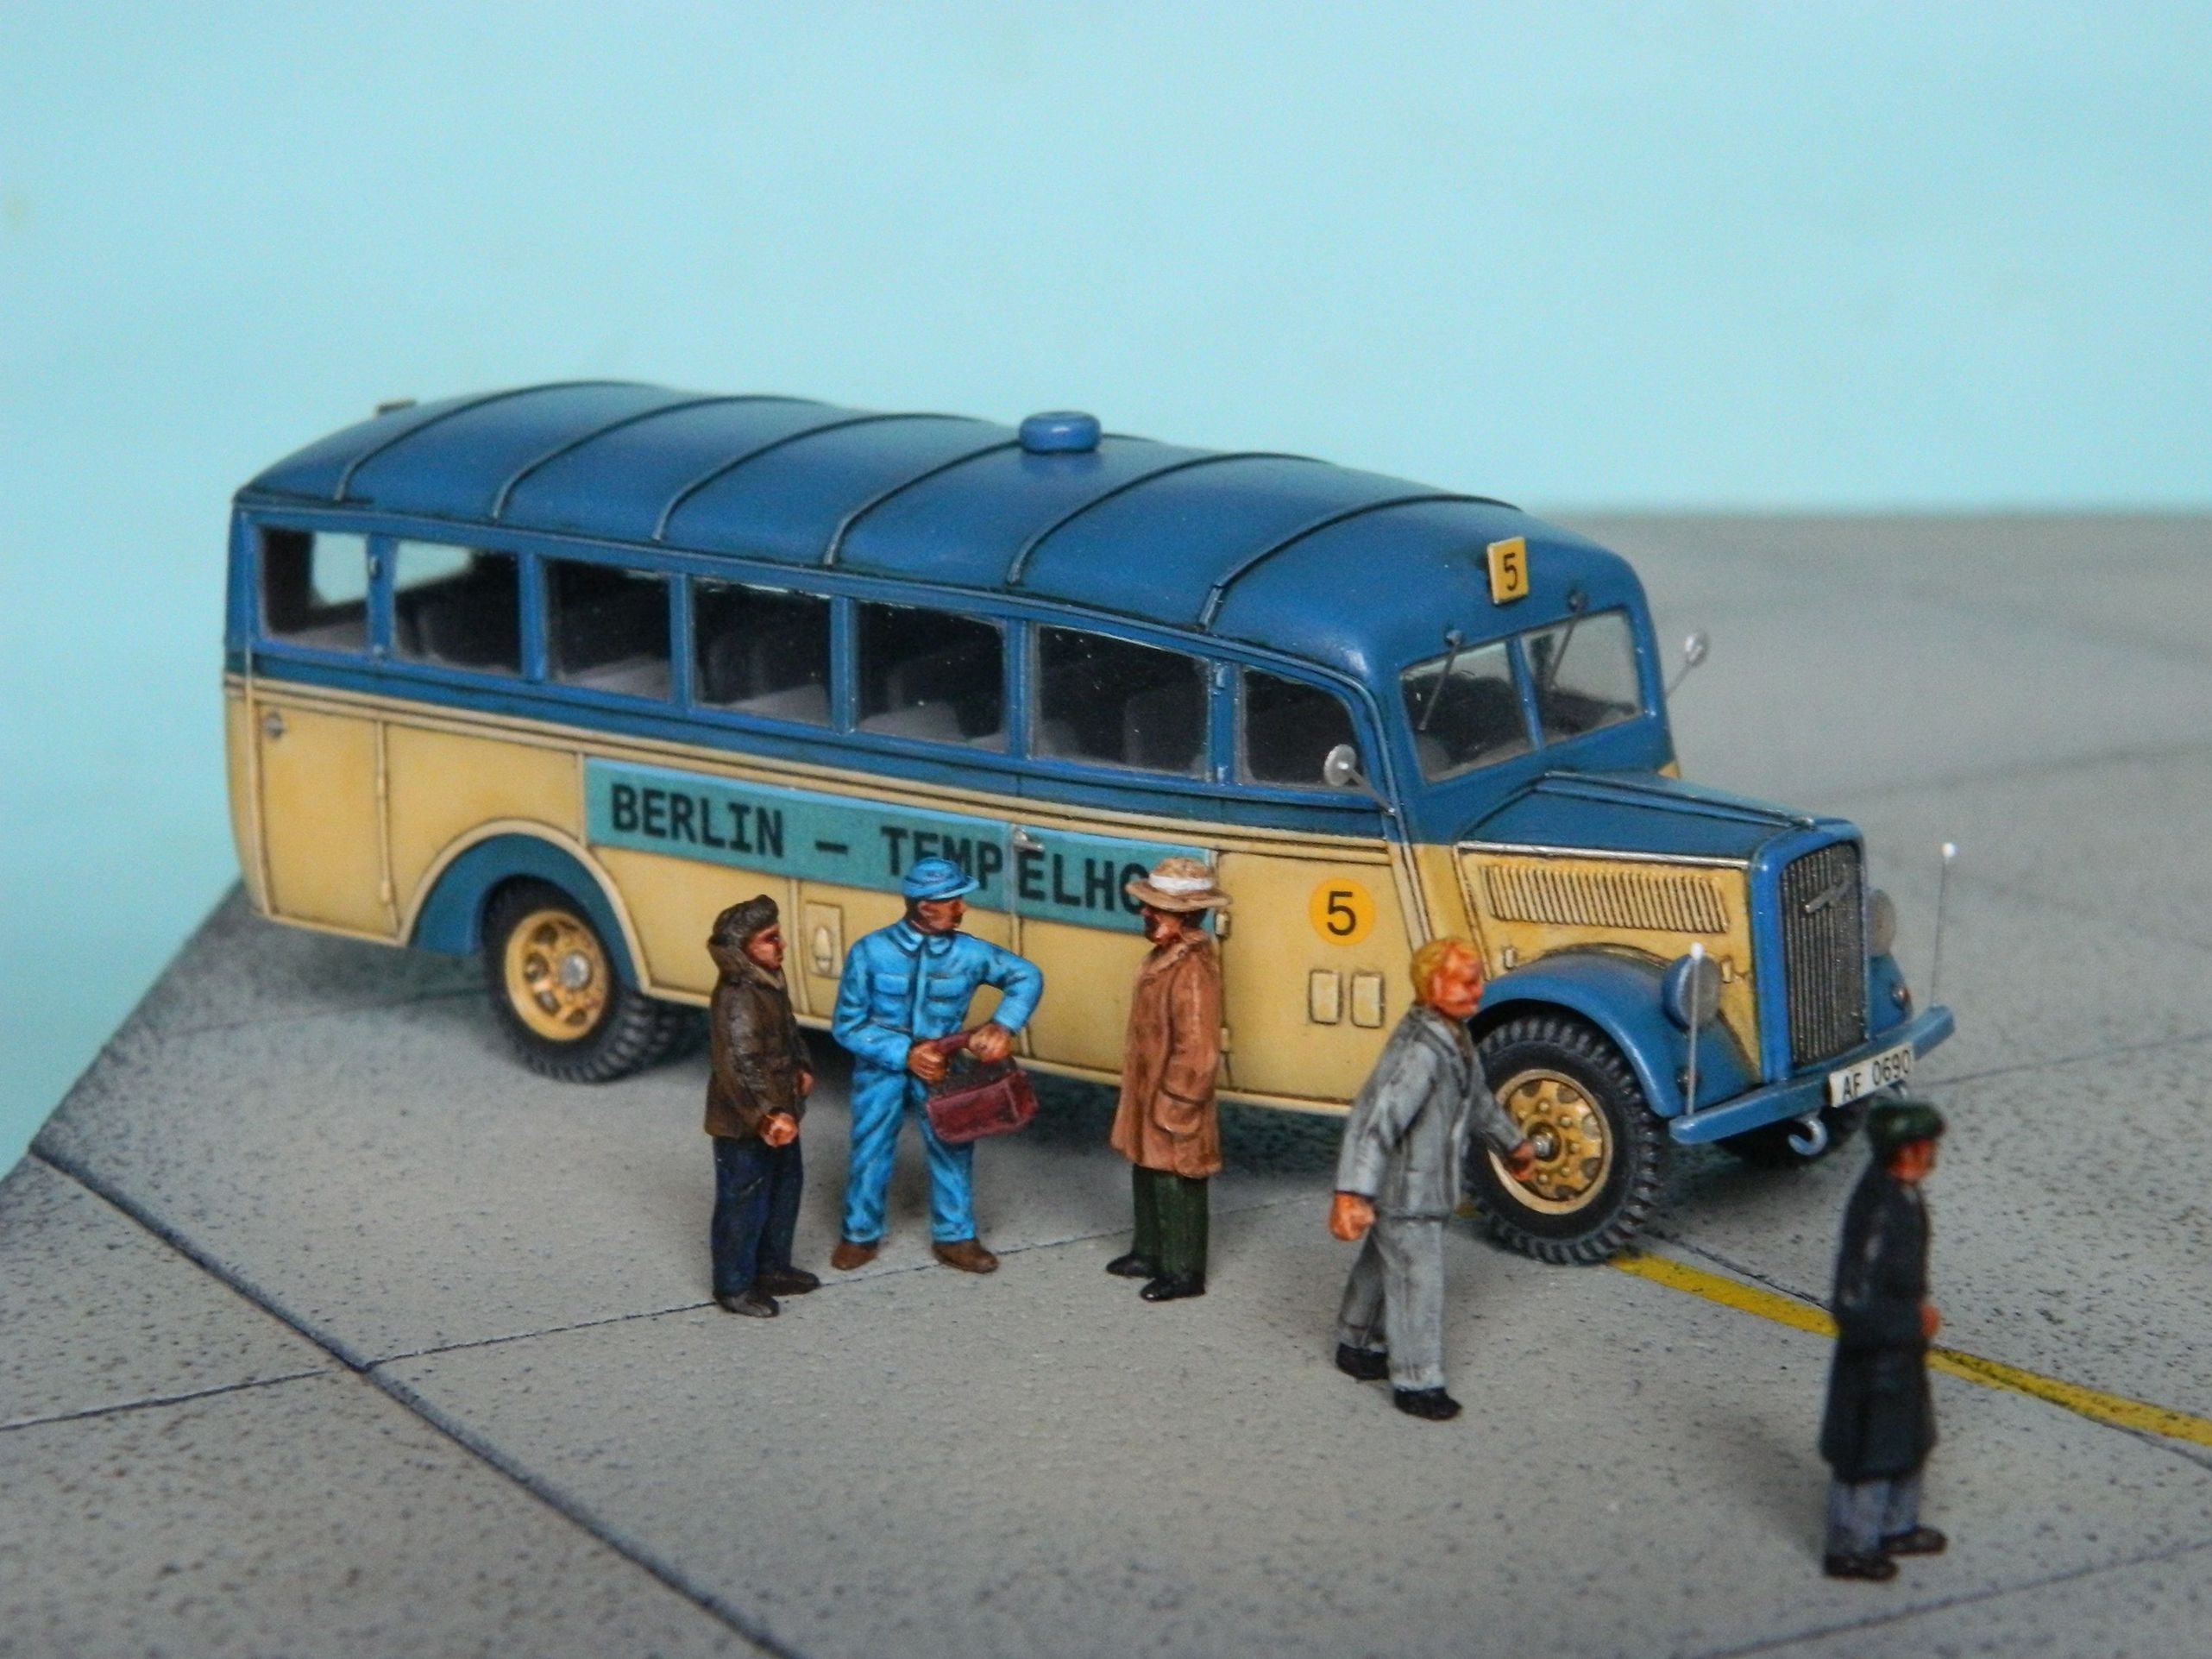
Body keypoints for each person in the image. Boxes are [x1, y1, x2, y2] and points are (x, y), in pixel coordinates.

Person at [1329, 936, 1535, 1421]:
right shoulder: (1418, 1053)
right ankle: (1416, 1380)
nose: (1476, 991)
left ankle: (1356, 1341)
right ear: (1431, 985)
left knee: (1383, 1264)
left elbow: (1478, 1100)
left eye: (1477, 981)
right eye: (1464, 982)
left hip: (1420, 1188)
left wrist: (1513, 1144)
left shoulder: (1455, 1038)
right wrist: (1351, 1192)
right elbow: (1375, 1121)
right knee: (1419, 1280)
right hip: (1408, 1193)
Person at [830, 856, 1044, 1273]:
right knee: (870, 1146)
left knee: (953, 1145)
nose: (962, 908)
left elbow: (1027, 976)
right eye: (953, 900)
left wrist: (1003, 1024)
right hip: (881, 1068)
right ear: (926, 906)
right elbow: (847, 1025)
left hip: (944, 1069)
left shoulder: (970, 953)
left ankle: (955, 1235)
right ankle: (859, 1233)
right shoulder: (870, 952)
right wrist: (904, 1053)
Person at [1819, 1097, 1948, 1580]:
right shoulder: (1879, 1208)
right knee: (1868, 1458)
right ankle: (1851, 1546)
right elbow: (1852, 1304)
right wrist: (1910, 1323)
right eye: (1925, 1146)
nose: (1931, 1154)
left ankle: (1896, 1526)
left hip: (1901, 1355)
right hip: (1874, 1362)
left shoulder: (1903, 1196)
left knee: (1909, 1443)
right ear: (1907, 1150)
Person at [1106, 857, 1229, 1303]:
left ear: (1186, 916)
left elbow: (1198, 1049)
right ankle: (1149, 1250)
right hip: (1149, 1088)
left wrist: (1178, 1099)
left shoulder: (1192, 969)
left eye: (1156, 908)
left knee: (1176, 1178)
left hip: (1173, 1097)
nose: (1145, 913)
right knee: (1147, 1167)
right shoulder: (1164, 958)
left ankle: (1183, 1270)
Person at [704, 895, 817, 1318]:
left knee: (784, 1190)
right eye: (771, 939)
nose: (782, 945)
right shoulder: (738, 998)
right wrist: (768, 1114)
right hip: (747, 1124)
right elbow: (739, 1064)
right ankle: (734, 1285)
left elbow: (788, 1031)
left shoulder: (768, 982)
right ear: (744, 947)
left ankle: (771, 1268)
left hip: (782, 1113)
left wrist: (803, 1065)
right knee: (743, 1202)